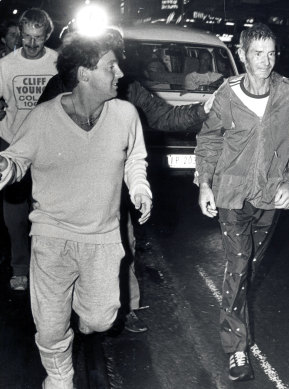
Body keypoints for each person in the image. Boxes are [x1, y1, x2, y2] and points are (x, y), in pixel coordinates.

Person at [0, 31, 152, 389]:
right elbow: (17, 158)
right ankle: (59, 377)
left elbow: (135, 158)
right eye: (110, 67)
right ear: (85, 73)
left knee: (101, 319)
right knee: (51, 325)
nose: (119, 74)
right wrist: (7, 166)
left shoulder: (125, 114)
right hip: (52, 237)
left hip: (101, 237)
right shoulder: (42, 118)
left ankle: (85, 315)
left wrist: (140, 187)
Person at [38, 27, 208, 333]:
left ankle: (127, 307)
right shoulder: (58, 86)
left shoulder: (128, 88)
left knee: (123, 246)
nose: (118, 68)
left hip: (109, 192)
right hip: (66, 196)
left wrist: (204, 109)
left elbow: (164, 117)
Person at [195, 23, 289, 381]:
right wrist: (204, 183)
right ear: (243, 55)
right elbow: (210, 140)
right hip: (231, 196)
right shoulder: (226, 95)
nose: (265, 61)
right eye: (257, 54)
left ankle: (236, 329)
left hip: (270, 197)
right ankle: (236, 349)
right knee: (238, 266)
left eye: (271, 53)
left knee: (248, 269)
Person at [0, 8, 58, 291]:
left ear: (48, 35)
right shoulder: (6, 66)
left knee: (50, 211)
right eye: (26, 37)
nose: (32, 45)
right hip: (12, 143)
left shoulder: (59, 63)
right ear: (19, 33)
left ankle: (49, 266)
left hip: (50, 146)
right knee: (15, 213)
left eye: (38, 38)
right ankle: (20, 266)